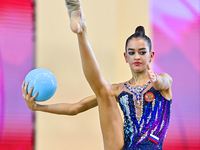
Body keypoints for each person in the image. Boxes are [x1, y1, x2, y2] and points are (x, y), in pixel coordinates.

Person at [22, 0, 172, 149]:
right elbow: (76, 107)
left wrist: (157, 81)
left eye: (142, 52)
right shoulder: (118, 89)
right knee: (104, 91)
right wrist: (38, 107)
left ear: (151, 55)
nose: (137, 57)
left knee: (106, 90)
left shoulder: (162, 82)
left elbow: (163, 83)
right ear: (126, 57)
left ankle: (82, 29)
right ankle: (81, 30)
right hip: (122, 147)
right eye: (132, 53)